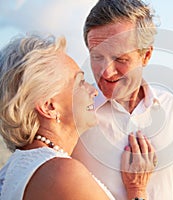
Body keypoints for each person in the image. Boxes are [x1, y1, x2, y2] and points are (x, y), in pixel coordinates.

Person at [0, 34, 156, 200]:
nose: (94, 91)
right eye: (81, 82)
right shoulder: (61, 172)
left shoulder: (12, 168)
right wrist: (137, 190)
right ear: (49, 107)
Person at [72, 0, 173, 199]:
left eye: (120, 59)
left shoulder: (171, 106)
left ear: (146, 55)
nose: (106, 72)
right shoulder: (75, 112)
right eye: (97, 57)